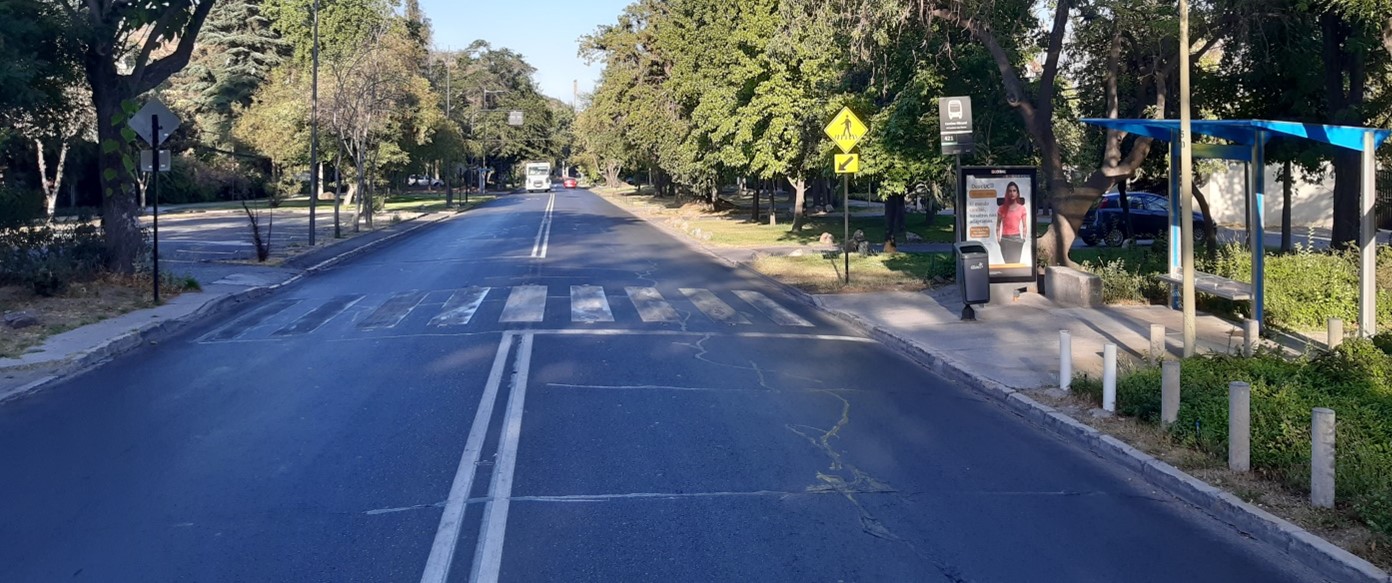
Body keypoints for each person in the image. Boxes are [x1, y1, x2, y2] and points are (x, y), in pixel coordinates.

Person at [996, 181, 1028, 264]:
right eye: (1010, 191)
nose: (1012, 193)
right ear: (1007, 193)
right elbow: (998, 225)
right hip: (1005, 239)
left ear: (1017, 193)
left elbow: (1024, 225)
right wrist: (998, 238)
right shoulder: (1002, 208)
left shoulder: (1022, 209)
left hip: (1016, 239)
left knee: (1016, 264)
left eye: (1014, 191)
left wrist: (1023, 238)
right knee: (1007, 264)